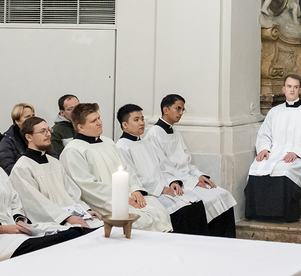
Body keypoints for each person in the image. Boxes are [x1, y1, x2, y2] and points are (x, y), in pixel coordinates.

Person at [0, 118, 90, 263]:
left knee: (74, 232)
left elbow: (14, 202)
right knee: (53, 244)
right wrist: (0, 229)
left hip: (14, 233)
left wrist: (19, 220)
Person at [60, 103, 172, 233]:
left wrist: (135, 190)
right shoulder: (73, 150)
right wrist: (122, 198)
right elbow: (87, 186)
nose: (99, 123)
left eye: (99, 118)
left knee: (159, 210)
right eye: (93, 121)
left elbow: (125, 168)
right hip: (103, 201)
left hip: (128, 195)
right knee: (139, 220)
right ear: (81, 127)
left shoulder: (108, 142)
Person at [146, 94, 237, 237]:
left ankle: (225, 242)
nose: (181, 113)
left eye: (183, 110)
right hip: (177, 182)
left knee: (222, 194)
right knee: (202, 202)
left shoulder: (176, 133)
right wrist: (192, 182)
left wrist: (199, 175)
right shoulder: (154, 134)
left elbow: (186, 162)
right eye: (178, 108)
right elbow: (163, 169)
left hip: (187, 178)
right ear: (166, 109)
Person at [115, 104, 212, 236]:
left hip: (164, 188)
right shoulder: (121, 147)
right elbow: (133, 178)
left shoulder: (146, 143)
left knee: (197, 204)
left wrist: (172, 182)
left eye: (142, 119)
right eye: (136, 120)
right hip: (150, 194)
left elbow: (162, 167)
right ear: (125, 125)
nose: (142, 123)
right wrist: (162, 189)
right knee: (182, 211)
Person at [245, 74, 301, 222]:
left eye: (295, 87)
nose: (292, 90)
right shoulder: (275, 111)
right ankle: (258, 213)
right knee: (256, 167)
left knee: (285, 169)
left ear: (300, 90)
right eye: (289, 86)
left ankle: (283, 214)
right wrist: (264, 149)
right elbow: (265, 133)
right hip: (274, 153)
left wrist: (296, 152)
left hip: (299, 156)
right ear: (283, 89)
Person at [9, 116, 102, 228]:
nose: (48, 134)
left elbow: (71, 192)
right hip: (53, 223)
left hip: (72, 217)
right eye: (42, 131)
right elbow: (35, 203)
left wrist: (85, 211)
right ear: (28, 137)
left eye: (49, 130)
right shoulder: (22, 168)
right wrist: (66, 217)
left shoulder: (55, 162)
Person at [0, 102, 39, 173]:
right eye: (28, 117)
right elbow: (8, 167)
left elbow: (52, 156)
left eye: (33, 116)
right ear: (17, 121)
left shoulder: (39, 135)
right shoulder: (7, 141)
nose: (32, 119)